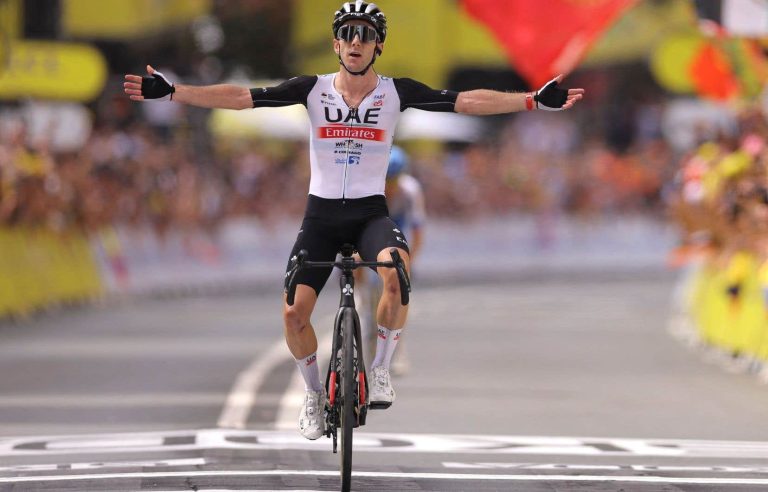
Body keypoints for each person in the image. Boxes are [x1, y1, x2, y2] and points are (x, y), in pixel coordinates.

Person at [124, 0, 584, 441]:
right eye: (347, 34)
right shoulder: (311, 89)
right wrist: (175, 92)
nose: (356, 42)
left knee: (396, 271)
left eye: (365, 35)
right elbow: (243, 97)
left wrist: (532, 102)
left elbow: (465, 101)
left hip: (369, 213)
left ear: (378, 45)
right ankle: (311, 396)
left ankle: (380, 369)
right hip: (320, 217)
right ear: (336, 45)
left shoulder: (396, 92)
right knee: (292, 313)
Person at [356, 145, 424, 375]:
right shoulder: (367, 187)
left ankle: (397, 349)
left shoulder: (411, 191)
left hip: (397, 232)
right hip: (369, 230)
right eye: (386, 180)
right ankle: (361, 300)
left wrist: (409, 263)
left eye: (394, 180)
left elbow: (417, 233)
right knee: (357, 266)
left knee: (398, 291)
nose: (390, 186)